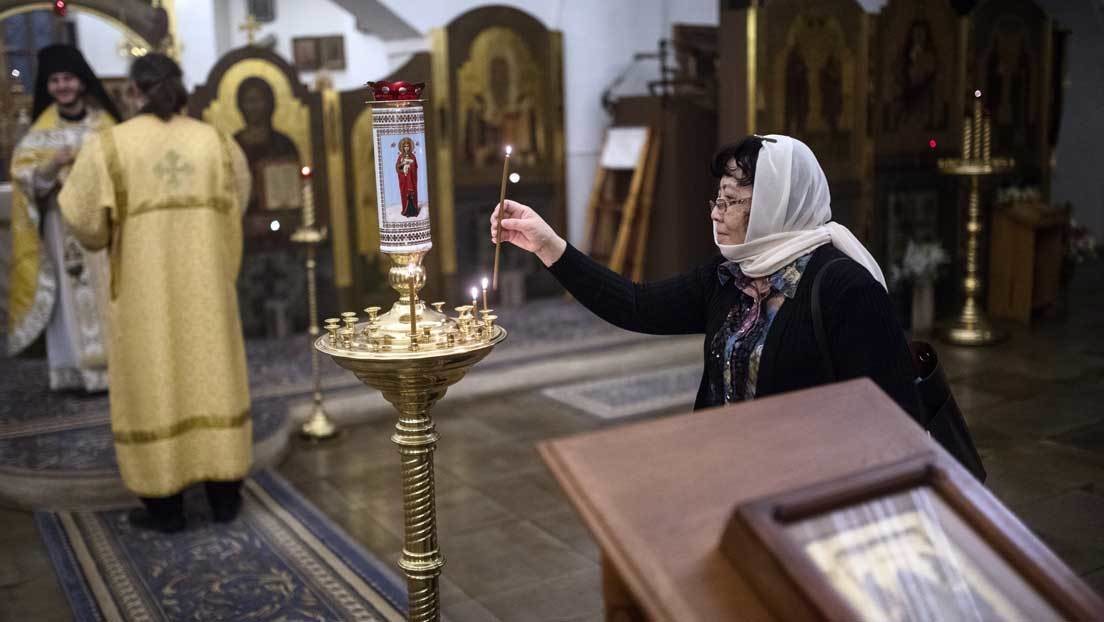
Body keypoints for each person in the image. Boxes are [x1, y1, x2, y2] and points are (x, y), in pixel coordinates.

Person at [490, 134, 921, 418]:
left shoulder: (844, 289)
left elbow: (891, 415)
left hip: (807, 494)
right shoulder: (730, 278)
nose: (716, 213)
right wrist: (548, 245)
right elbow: (635, 304)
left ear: (777, 204)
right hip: (726, 475)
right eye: (716, 198)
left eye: (731, 200)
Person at [58, 54, 253, 533]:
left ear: (134, 91)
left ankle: (165, 509)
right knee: (213, 373)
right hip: (207, 290)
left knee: (154, 381)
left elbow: (82, 218)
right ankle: (225, 498)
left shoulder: (110, 146)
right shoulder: (215, 140)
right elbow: (239, 199)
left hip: (145, 298)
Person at [7, 44, 121, 392]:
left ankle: (119, 370)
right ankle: (76, 373)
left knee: (109, 292)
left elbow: (124, 168)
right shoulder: (40, 132)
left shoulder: (105, 126)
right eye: (55, 81)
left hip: (104, 225)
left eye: (68, 78)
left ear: (82, 82)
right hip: (61, 227)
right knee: (72, 302)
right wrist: (51, 164)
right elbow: (23, 178)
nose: (62, 86)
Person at [233, 76, 301, 212]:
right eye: (248, 101)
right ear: (240, 105)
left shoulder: (284, 143)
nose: (254, 107)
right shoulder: (233, 145)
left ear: (269, 103)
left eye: (258, 100)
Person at [396, 136, 419, 217]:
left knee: (412, 195)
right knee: (405, 194)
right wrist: (403, 165)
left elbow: (415, 167)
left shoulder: (412, 156)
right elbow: (397, 168)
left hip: (411, 179)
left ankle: (414, 211)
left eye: (408, 146)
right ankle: (406, 211)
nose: (406, 148)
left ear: (410, 147)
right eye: (405, 146)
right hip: (404, 180)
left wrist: (410, 167)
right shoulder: (400, 157)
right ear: (402, 147)